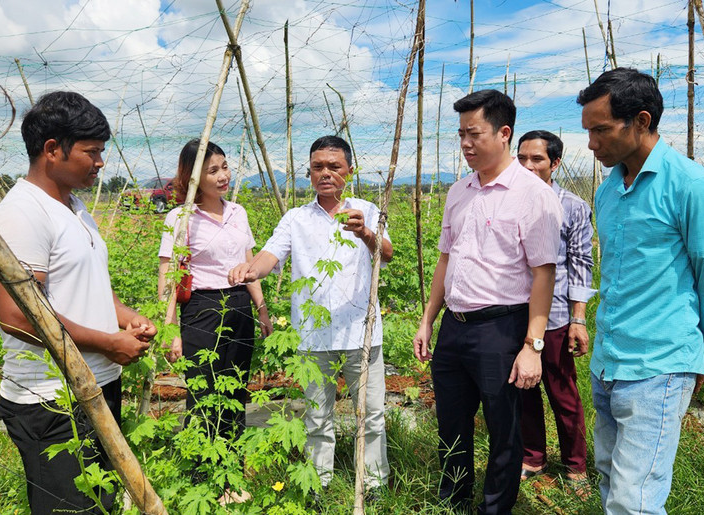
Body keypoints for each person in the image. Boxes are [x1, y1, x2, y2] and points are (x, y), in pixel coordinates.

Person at [577, 68, 704, 514]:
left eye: (601, 130)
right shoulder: (610, 190)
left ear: (642, 121)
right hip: (609, 363)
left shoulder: (693, 188)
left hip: (658, 368)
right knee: (611, 480)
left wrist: (697, 357)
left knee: (636, 501)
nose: (591, 144)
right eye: (587, 130)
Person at [0, 91, 157, 513]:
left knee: (99, 503)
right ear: (51, 150)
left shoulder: (75, 207)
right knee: (71, 508)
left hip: (94, 383)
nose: (100, 162)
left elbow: (92, 284)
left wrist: (126, 317)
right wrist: (107, 342)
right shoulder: (22, 214)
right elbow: (17, 317)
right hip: (52, 400)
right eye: (92, 152)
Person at [412, 90, 562, 514]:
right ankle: (453, 503)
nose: (465, 143)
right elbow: (446, 258)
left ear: (504, 133)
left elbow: (543, 274)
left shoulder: (533, 194)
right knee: (452, 427)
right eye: (460, 134)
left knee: (504, 431)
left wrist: (532, 346)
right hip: (454, 328)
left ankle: (494, 509)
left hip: (502, 328)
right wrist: (428, 320)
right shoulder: (459, 191)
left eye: (474, 133)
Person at [228, 135, 393, 494]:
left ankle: (375, 485)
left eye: (334, 166)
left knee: (372, 416)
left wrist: (364, 231)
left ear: (349, 170)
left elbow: (388, 252)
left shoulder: (364, 209)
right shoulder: (296, 219)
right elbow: (270, 256)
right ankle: (319, 486)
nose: (326, 173)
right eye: (318, 167)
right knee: (318, 418)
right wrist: (249, 270)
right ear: (309, 173)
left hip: (361, 333)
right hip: (312, 337)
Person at [156, 139, 272, 503]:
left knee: (236, 390)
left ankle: (231, 475)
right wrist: (170, 328)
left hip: (239, 304)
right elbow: (168, 275)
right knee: (203, 392)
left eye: (224, 167)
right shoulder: (179, 219)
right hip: (202, 309)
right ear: (193, 178)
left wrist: (262, 308)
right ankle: (205, 477)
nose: (223, 176)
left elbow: (249, 260)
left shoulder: (238, 211)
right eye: (213, 170)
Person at [515, 130, 596, 490]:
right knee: (523, 388)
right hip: (513, 313)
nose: (528, 166)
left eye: (537, 159)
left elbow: (581, 263)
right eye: (522, 159)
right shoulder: (509, 201)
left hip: (555, 318)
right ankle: (533, 457)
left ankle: (575, 465)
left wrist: (578, 318)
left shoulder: (573, 206)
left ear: (555, 163)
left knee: (562, 392)